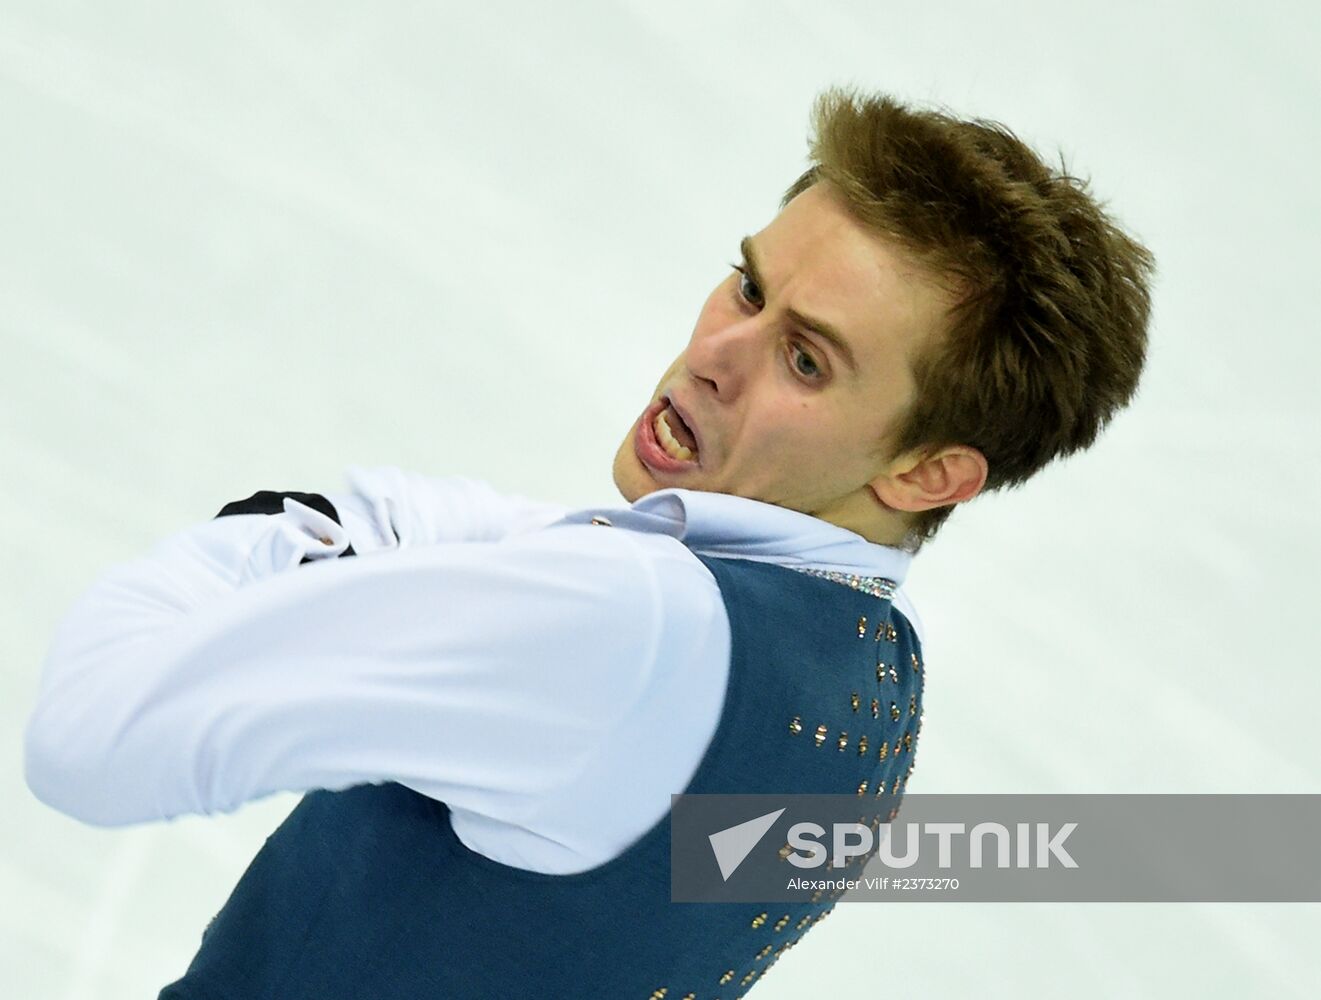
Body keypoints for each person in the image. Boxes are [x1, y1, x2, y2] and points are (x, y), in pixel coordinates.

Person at [23, 87, 1153, 998]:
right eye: (748, 286)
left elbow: (90, 735)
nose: (717, 352)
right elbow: (478, 527)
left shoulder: (627, 625)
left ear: (926, 469)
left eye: (805, 358)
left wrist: (274, 537)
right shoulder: (867, 689)